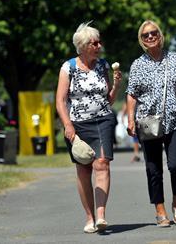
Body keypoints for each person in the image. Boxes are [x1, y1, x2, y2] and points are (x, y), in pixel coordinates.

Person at [126, 20, 176, 227]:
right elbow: (131, 94)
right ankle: (160, 209)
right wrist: (131, 119)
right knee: (153, 168)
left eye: (153, 33)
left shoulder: (175, 60)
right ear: (141, 39)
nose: (150, 37)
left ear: (160, 35)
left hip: (174, 120)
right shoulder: (138, 64)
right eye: (145, 35)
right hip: (148, 122)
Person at [56, 22, 122, 233]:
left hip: (103, 119)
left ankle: (101, 215)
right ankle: (89, 217)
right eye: (94, 43)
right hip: (78, 124)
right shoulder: (69, 68)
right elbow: (61, 100)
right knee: (83, 169)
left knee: (102, 163)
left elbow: (109, 100)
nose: (99, 45)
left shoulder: (103, 65)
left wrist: (117, 85)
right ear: (83, 46)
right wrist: (68, 125)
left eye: (99, 42)